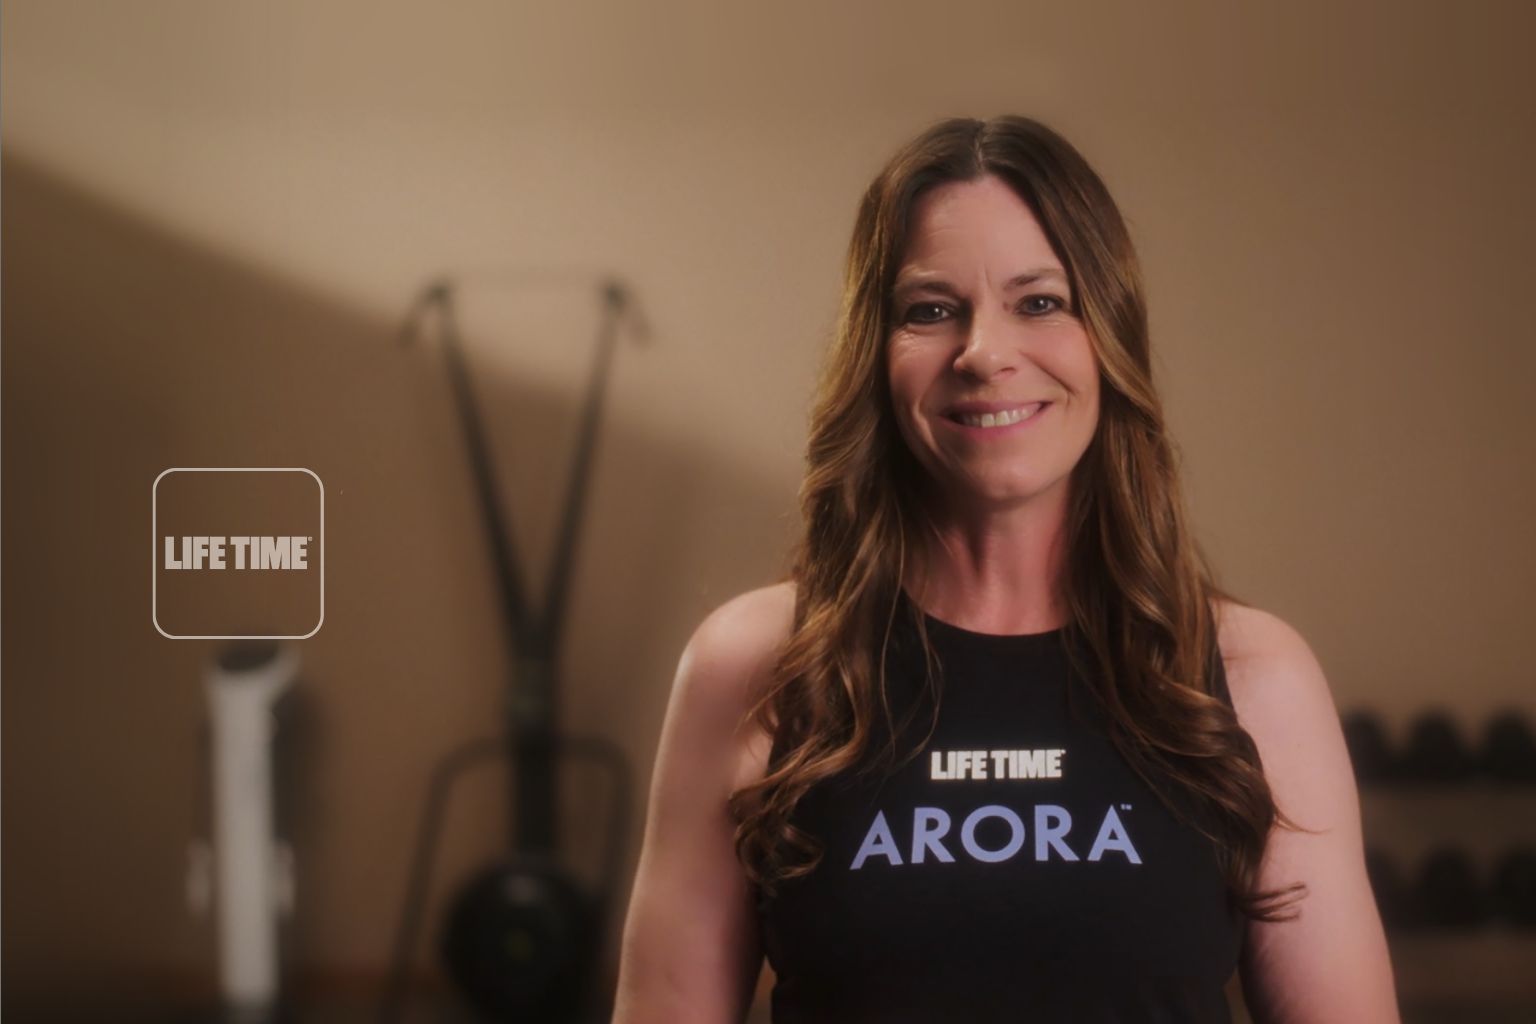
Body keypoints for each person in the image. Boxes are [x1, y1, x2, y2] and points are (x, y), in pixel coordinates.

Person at [611, 115, 1400, 1023]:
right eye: (931, 309)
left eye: (1039, 302)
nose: (984, 352)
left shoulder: (1252, 678)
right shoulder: (757, 668)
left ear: (1108, 338)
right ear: (877, 353)